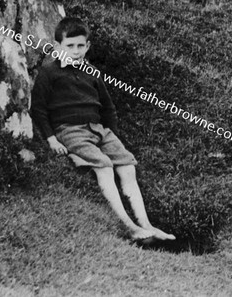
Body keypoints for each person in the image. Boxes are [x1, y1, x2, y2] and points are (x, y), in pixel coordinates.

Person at [31, 17, 175, 244]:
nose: (76, 51)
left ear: (87, 46)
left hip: (99, 129)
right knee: (105, 167)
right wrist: (51, 139)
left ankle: (147, 224)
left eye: (81, 46)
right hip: (70, 130)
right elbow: (38, 109)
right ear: (58, 46)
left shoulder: (93, 72)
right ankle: (129, 227)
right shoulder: (49, 73)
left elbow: (108, 108)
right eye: (70, 46)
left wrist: (112, 134)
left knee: (127, 166)